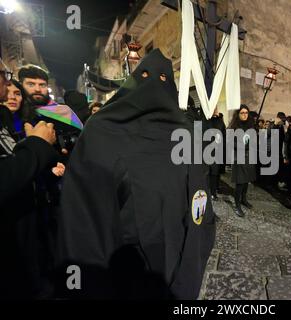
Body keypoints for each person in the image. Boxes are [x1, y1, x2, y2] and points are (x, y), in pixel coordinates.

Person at [55, 49, 215, 300]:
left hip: (175, 252)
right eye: (146, 76)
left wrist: (196, 254)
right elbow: (83, 215)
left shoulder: (187, 134)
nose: (154, 85)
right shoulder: (103, 130)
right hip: (124, 261)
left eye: (163, 79)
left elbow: (199, 199)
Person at [1, 59, 60, 299]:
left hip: (44, 204)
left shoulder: (58, 112)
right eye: (30, 84)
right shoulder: (11, 119)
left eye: (42, 84)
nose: (37, 89)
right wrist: (38, 147)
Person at [229, 105, 257, 218]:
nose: (244, 115)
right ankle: (237, 205)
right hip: (238, 157)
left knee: (246, 181)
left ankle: (244, 199)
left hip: (249, 157)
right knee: (240, 182)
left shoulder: (251, 126)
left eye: (246, 113)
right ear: (238, 114)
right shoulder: (233, 127)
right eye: (242, 113)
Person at [208, 108, 226, 200]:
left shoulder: (220, 122)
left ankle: (213, 192)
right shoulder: (205, 119)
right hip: (205, 151)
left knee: (214, 174)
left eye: (216, 108)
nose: (215, 109)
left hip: (217, 151)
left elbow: (224, 137)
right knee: (206, 173)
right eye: (213, 107)